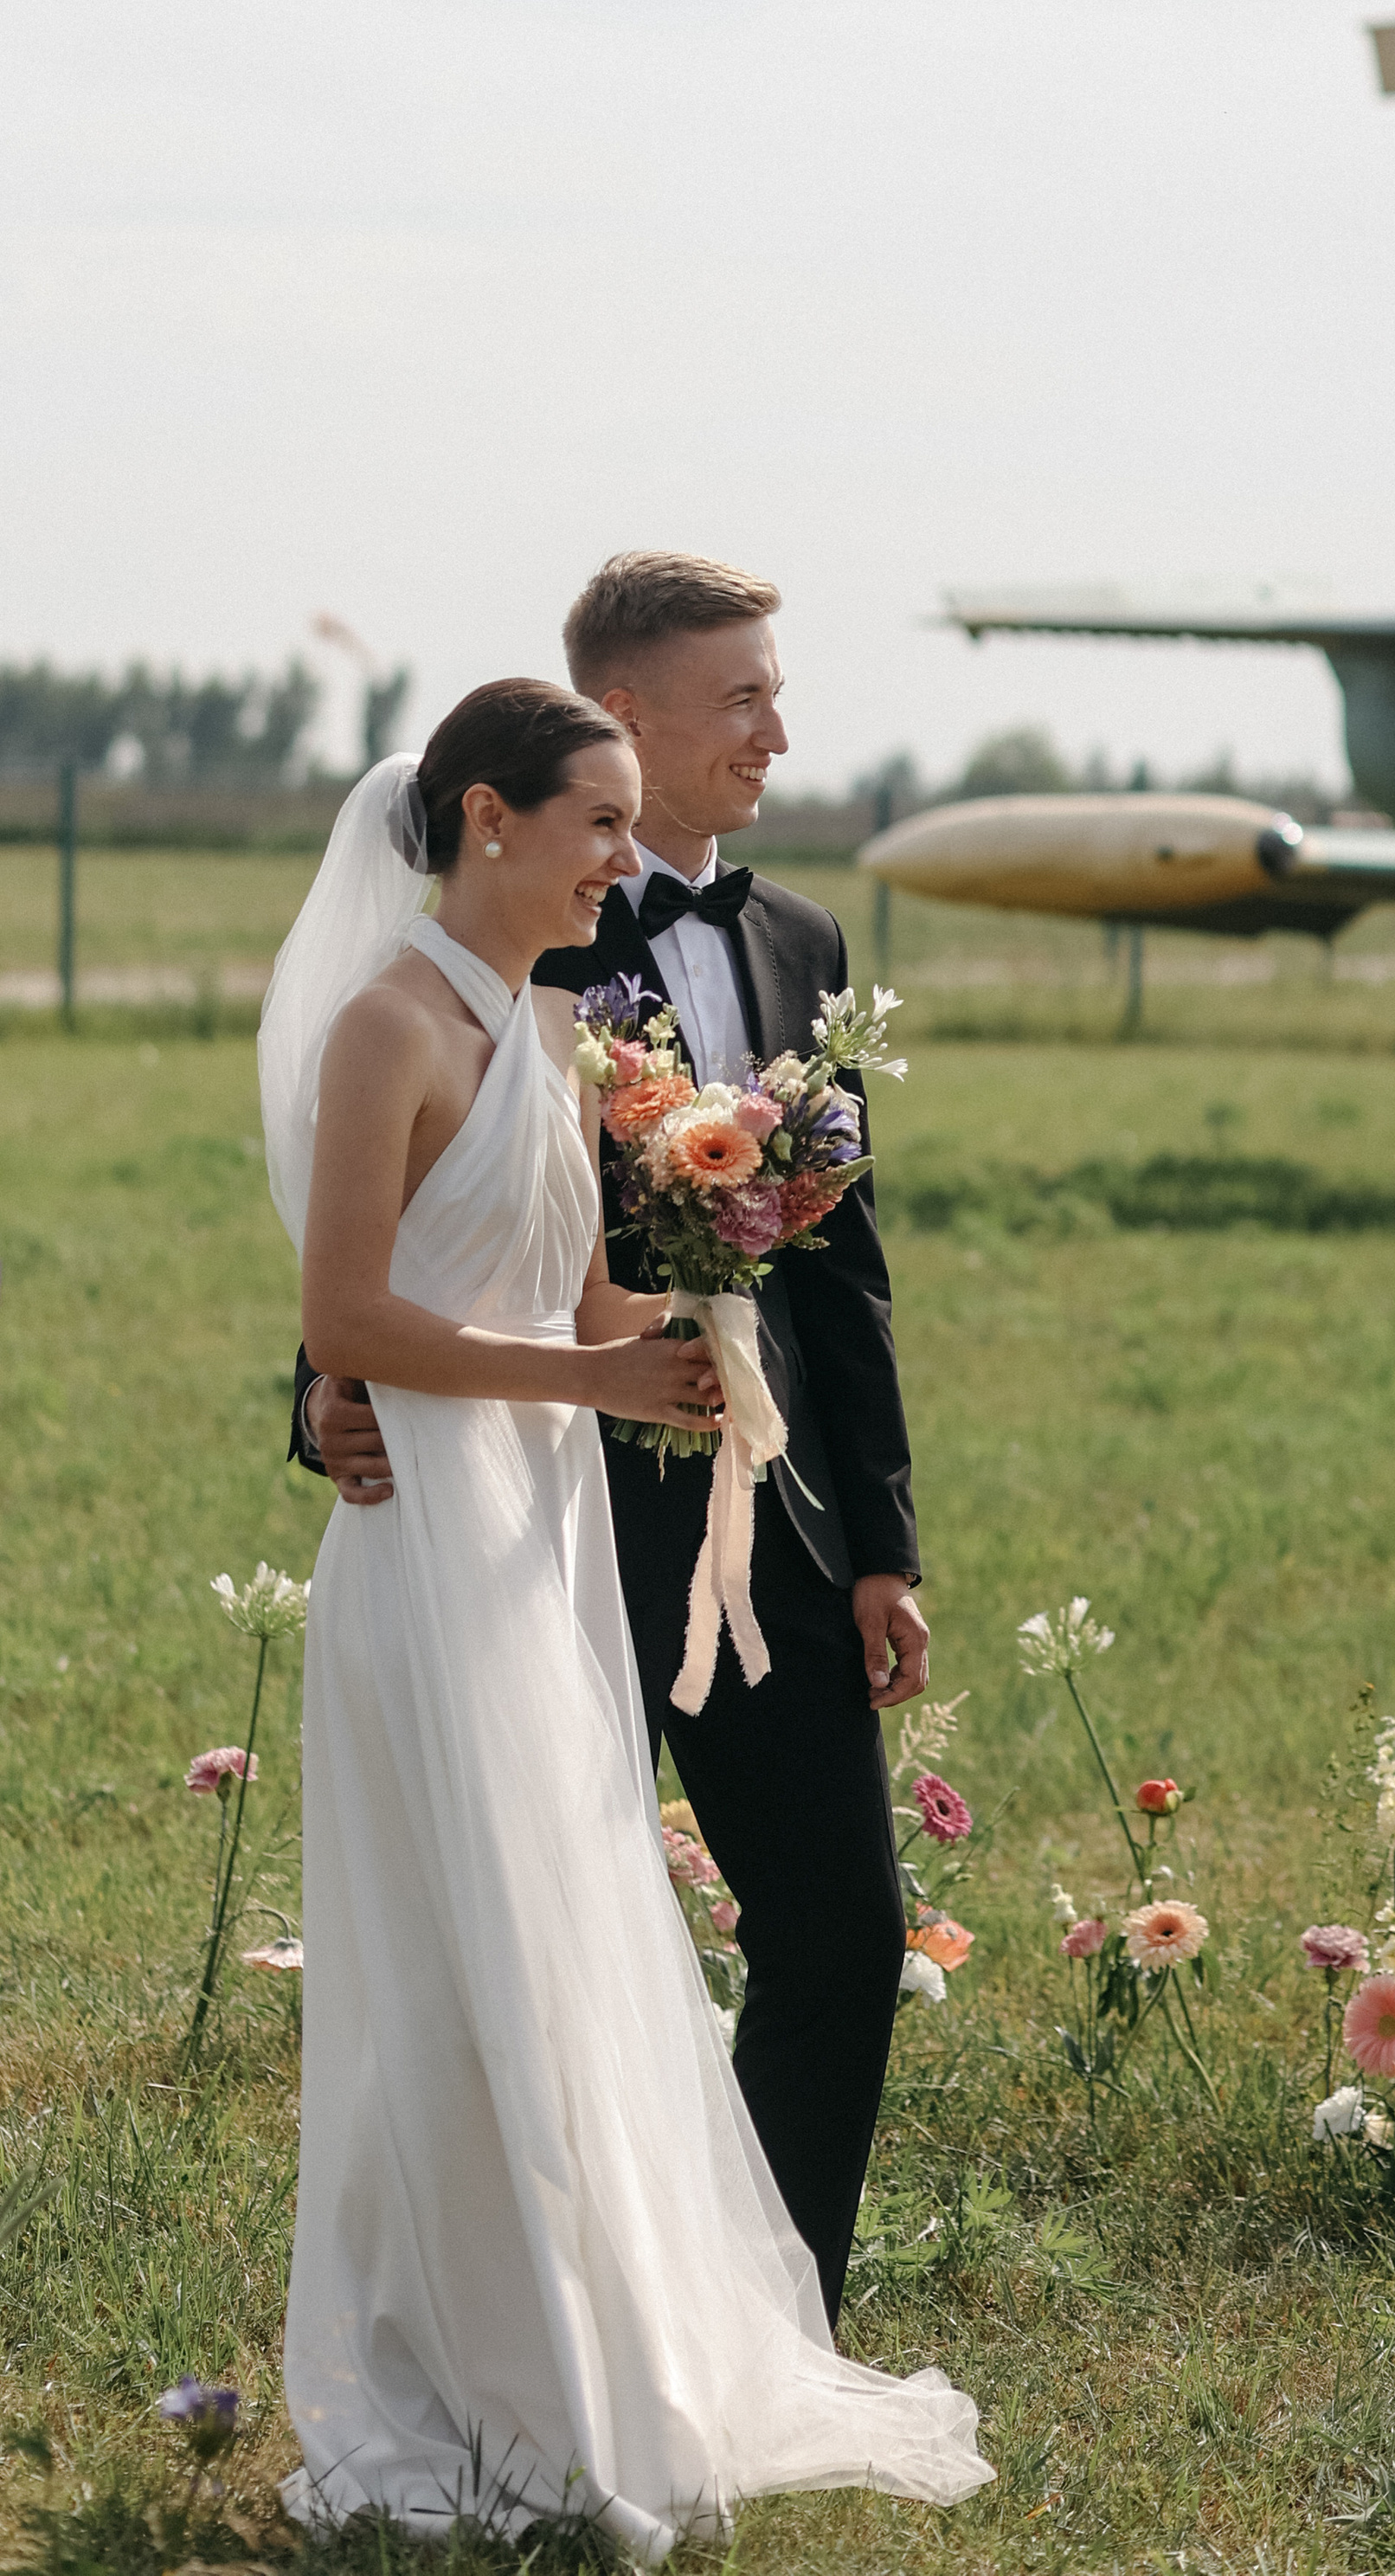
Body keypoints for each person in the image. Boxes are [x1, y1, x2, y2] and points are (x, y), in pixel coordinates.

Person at [261, 678, 988, 2544]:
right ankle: (462, 2366)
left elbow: (578, 1297)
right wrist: (593, 1388)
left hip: (541, 1548)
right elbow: (350, 1321)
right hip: (427, 1550)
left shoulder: (556, 1022)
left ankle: (596, 2339)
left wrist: (704, 1317)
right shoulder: (382, 1029)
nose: (619, 854)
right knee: (463, 1957)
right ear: (487, 821)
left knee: (573, 1937)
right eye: (594, 822)